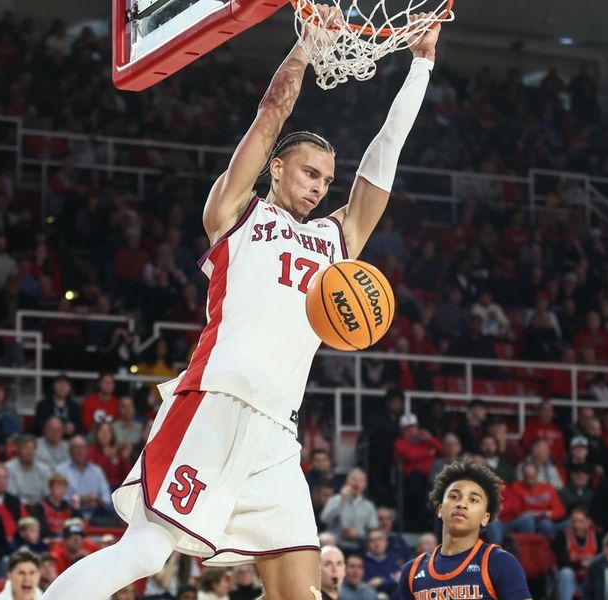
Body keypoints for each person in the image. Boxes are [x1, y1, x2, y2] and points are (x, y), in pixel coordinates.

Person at [43, 13, 442, 600]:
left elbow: (384, 157)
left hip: (277, 432)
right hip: (215, 401)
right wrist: (305, 49)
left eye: (326, 179)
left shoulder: (336, 239)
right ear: (276, 168)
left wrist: (422, 64)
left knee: (300, 593)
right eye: (308, 171)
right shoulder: (237, 215)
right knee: (145, 551)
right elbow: (271, 114)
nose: (318, 185)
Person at [399, 460, 530, 600]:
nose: (462, 504)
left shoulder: (500, 562)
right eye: (454, 497)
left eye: (473, 500)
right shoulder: (412, 571)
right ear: (440, 509)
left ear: (485, 518)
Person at [553, 505, 599, 600]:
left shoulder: (597, 537)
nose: (576, 525)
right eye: (574, 521)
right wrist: (582, 564)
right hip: (570, 582)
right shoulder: (562, 536)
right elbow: (563, 563)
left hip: (589, 582)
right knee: (566, 573)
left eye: (580, 521)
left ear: (588, 522)